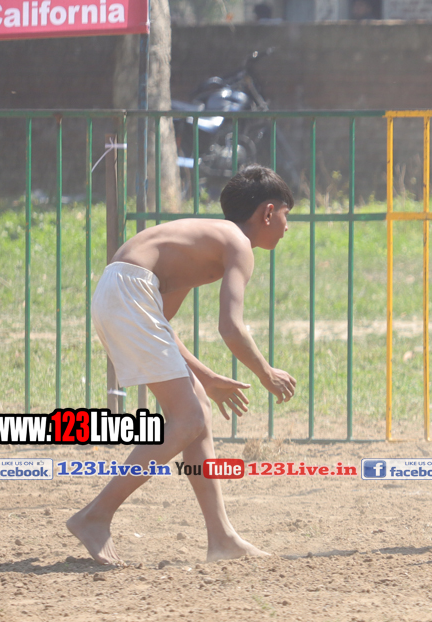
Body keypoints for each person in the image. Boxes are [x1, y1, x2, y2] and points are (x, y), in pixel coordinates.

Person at [67, 166, 299, 565]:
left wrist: (205, 377)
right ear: (267, 212)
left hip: (119, 292)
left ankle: (222, 539)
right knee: (188, 418)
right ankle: (95, 515)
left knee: (196, 412)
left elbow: (161, 322)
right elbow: (230, 327)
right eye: (285, 215)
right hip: (128, 292)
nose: (286, 227)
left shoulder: (203, 243)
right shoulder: (237, 244)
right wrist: (266, 373)